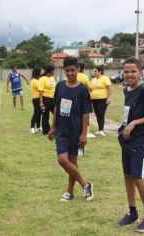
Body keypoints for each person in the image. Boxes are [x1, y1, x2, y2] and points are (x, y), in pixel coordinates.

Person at [117, 58, 144, 233]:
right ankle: (132, 211)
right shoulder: (126, 90)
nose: (129, 75)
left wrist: (134, 123)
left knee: (137, 176)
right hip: (127, 140)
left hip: (140, 140)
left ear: (141, 72)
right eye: (126, 71)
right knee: (127, 176)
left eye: (133, 71)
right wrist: (124, 127)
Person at [48, 56, 94, 202]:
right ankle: (86, 184)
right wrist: (52, 126)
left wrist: (84, 134)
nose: (70, 73)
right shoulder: (60, 86)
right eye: (67, 70)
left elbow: (85, 113)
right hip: (62, 130)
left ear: (78, 69)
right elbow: (56, 107)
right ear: (64, 70)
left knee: (72, 163)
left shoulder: (83, 89)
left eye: (73, 70)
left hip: (76, 130)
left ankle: (69, 192)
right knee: (62, 159)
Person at [89, 66, 111, 136]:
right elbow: (90, 88)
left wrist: (108, 98)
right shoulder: (93, 79)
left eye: (95, 71)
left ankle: (101, 130)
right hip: (94, 100)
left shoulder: (105, 78)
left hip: (103, 99)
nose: (94, 72)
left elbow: (109, 88)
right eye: (94, 71)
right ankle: (99, 130)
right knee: (97, 114)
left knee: (101, 114)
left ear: (100, 72)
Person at [77, 62, 95, 138]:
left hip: (74, 98)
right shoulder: (84, 76)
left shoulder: (73, 75)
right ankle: (87, 132)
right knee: (85, 114)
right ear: (82, 69)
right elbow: (89, 87)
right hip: (84, 98)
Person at [39, 65, 56, 135]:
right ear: (50, 71)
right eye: (53, 70)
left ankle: (55, 129)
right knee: (45, 115)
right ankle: (46, 130)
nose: (54, 72)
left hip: (53, 99)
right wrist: (41, 102)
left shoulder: (52, 78)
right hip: (46, 99)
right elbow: (40, 91)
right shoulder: (42, 79)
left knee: (56, 114)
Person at [30, 67, 42, 134]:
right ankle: (32, 127)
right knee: (36, 113)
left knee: (40, 113)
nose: (40, 73)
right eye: (39, 72)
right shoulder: (34, 80)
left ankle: (38, 127)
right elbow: (40, 88)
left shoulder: (38, 79)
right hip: (36, 99)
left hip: (40, 98)